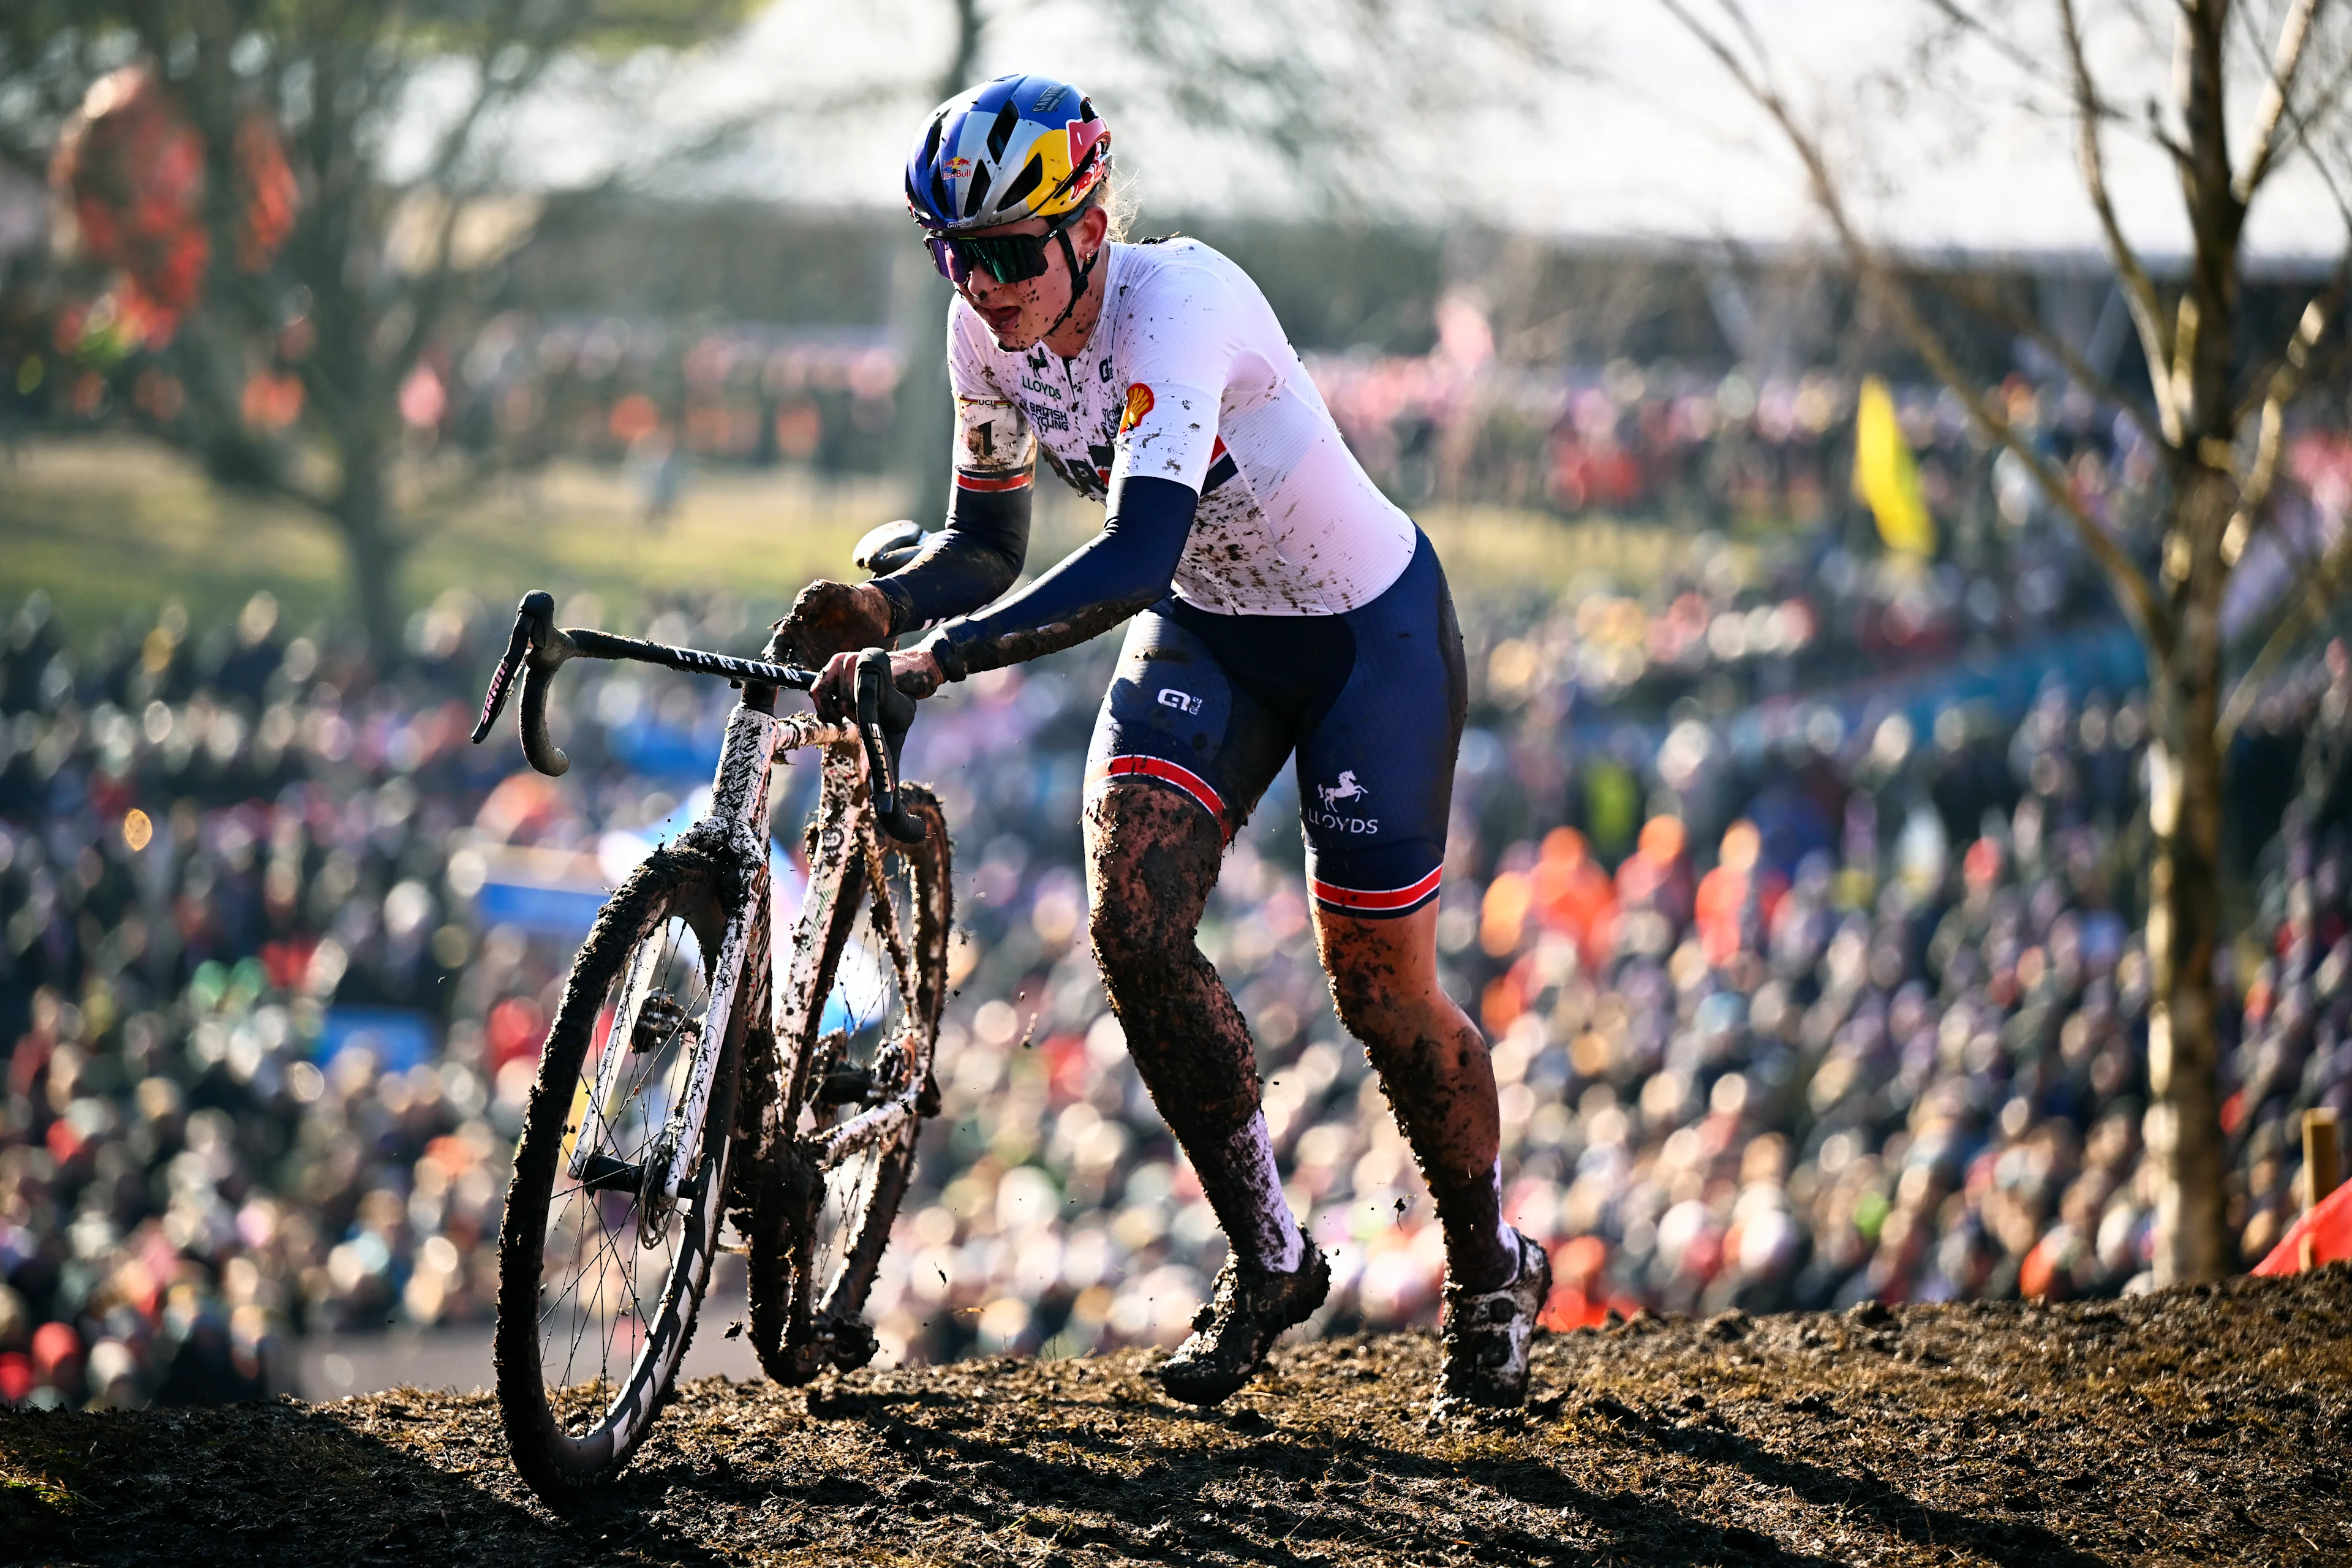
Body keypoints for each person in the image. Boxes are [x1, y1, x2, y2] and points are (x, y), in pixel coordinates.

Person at [778, 73, 1548, 1414]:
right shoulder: (985, 338)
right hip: (1212, 629)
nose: (985, 287)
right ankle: (1270, 1256)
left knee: (1378, 993)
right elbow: (991, 542)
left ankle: (1490, 1270)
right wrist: (895, 605)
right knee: (1132, 925)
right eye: (956, 257)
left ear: (1090, 223)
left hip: (1366, 638)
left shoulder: (1177, 306)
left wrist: (939, 657)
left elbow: (1134, 553)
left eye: (1013, 253)